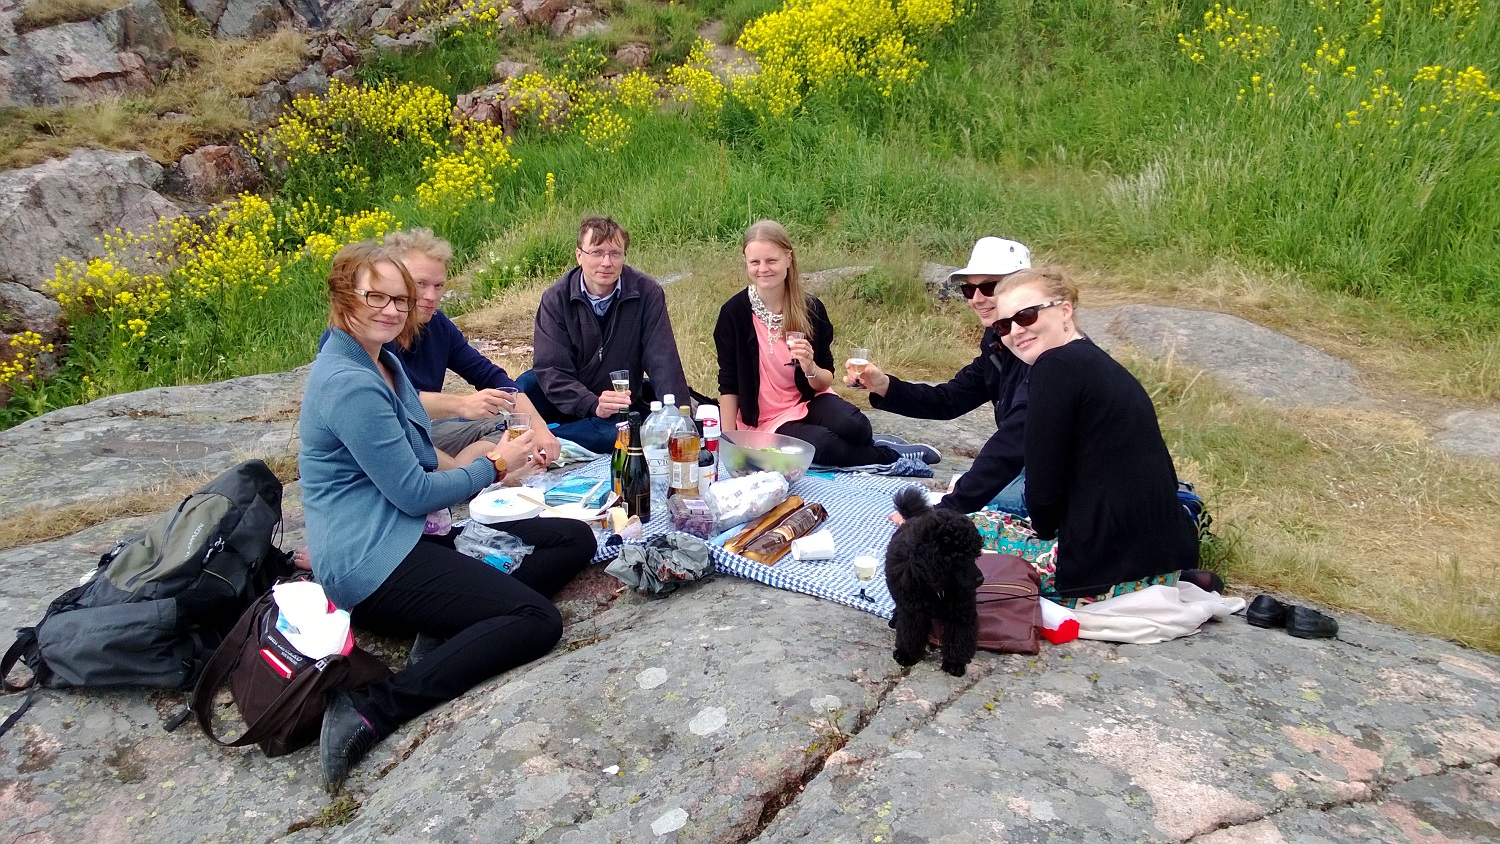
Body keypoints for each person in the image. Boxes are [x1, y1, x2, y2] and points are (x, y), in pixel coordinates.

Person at [298, 242, 595, 792]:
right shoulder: (348, 382)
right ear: (343, 300)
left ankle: (453, 628)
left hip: (416, 536)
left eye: (400, 299)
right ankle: (372, 709)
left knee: (573, 539)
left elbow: (418, 457)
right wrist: (493, 466)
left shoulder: (382, 360)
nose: (392, 310)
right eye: (375, 298)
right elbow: (414, 492)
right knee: (537, 623)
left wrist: (489, 459)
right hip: (373, 562)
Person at [992, 267, 1199, 605]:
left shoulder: (1054, 366)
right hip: (1164, 560)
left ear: (1064, 310)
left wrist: (1043, 532)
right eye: (1003, 325)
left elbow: (1042, 492)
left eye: (1027, 316)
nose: (1016, 331)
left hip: (1097, 571)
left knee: (952, 534)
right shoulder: (1099, 363)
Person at [713, 220, 938, 470]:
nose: (763, 269)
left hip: (808, 400)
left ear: (789, 258)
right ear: (746, 262)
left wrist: (809, 366)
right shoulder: (733, 314)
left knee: (857, 427)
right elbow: (729, 384)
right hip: (766, 420)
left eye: (771, 260)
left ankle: (867, 447)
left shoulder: (811, 308)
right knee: (824, 445)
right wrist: (730, 442)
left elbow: (825, 380)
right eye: (754, 262)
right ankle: (890, 456)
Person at [854, 237, 1033, 512]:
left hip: (1063, 478)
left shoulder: (1041, 350)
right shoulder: (997, 341)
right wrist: (884, 386)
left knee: (971, 501)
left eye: (989, 286)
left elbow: (1012, 444)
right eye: (969, 289)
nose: (977, 298)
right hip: (1028, 464)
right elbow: (950, 399)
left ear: (1024, 288)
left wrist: (948, 507)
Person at [381, 228, 561, 462]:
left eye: (438, 286)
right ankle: (462, 477)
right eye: (420, 284)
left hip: (422, 433)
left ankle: (458, 473)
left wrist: (540, 429)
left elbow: (491, 376)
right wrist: (460, 404)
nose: (431, 296)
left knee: (510, 427)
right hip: (387, 440)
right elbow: (390, 401)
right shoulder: (376, 331)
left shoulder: (437, 325)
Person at [520, 216, 691, 454]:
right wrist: (591, 404)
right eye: (597, 253)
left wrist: (681, 421)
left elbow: (663, 360)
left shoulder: (646, 292)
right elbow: (551, 369)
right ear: (579, 255)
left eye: (615, 253)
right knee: (522, 389)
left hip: (617, 405)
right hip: (566, 399)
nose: (606, 262)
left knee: (622, 432)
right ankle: (541, 434)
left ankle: (545, 436)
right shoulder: (555, 298)